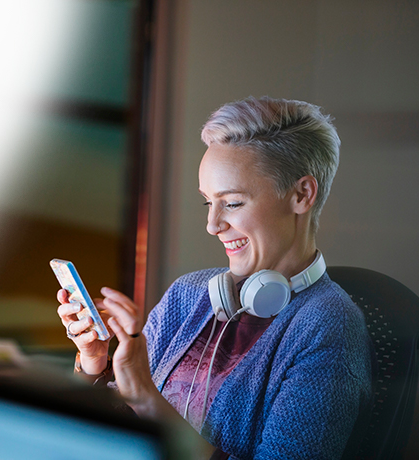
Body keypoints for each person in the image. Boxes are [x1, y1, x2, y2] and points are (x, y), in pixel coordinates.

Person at [57, 97, 372, 460]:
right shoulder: (189, 294)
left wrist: (148, 399)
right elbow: (108, 431)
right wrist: (93, 364)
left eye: (233, 203)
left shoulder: (329, 325)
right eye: (209, 202)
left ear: (302, 195)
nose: (213, 225)